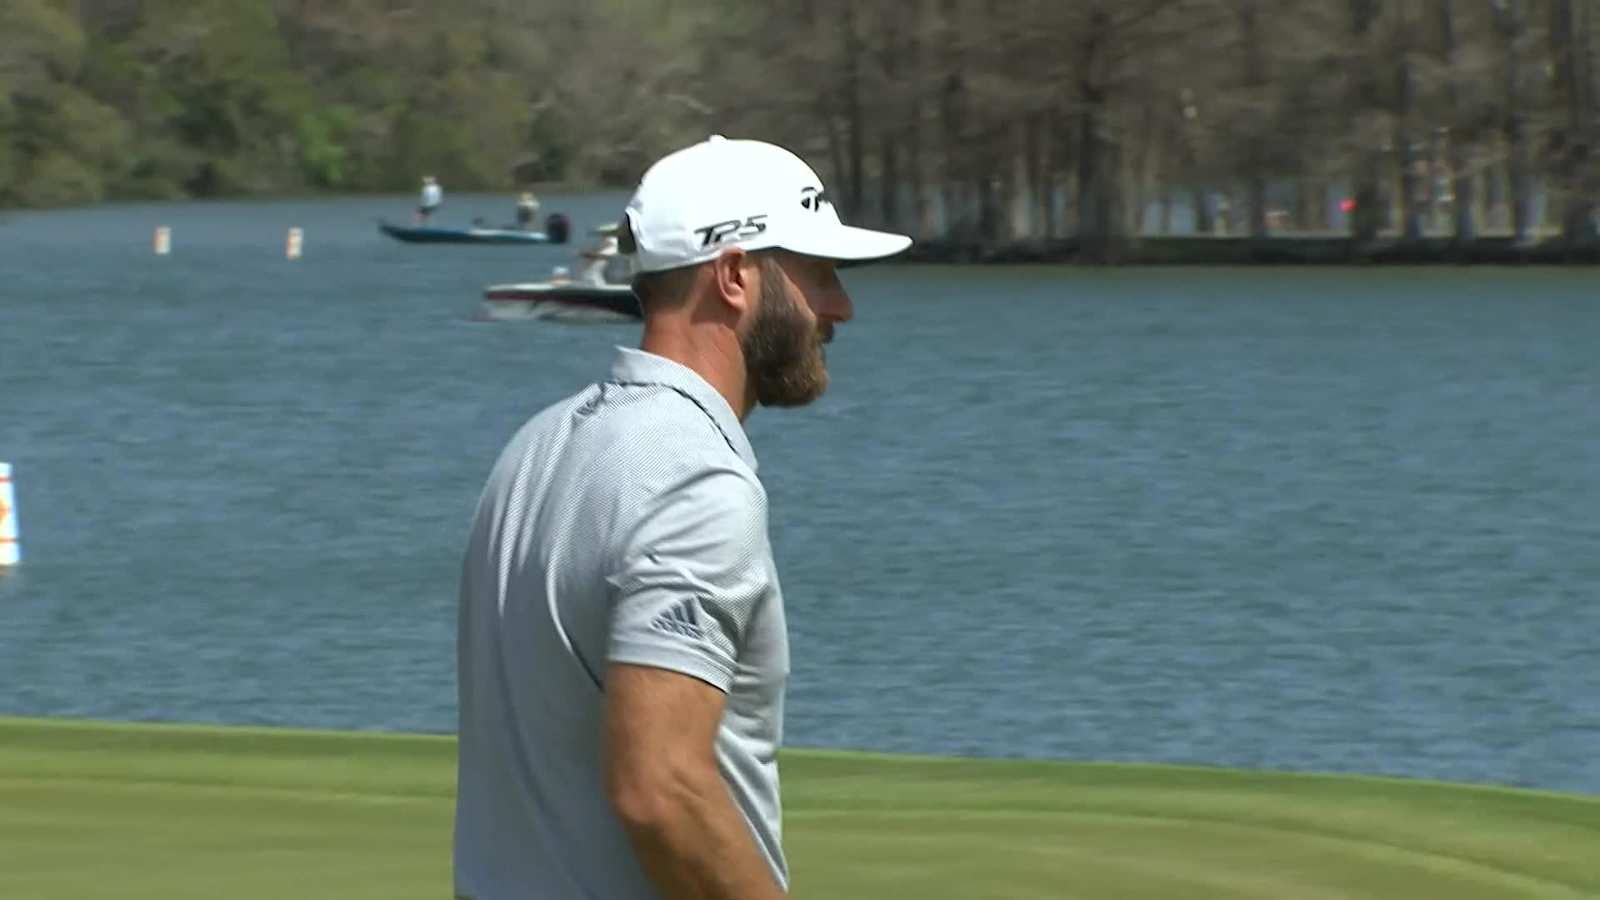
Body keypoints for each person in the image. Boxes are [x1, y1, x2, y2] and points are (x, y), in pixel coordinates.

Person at [453, 134, 911, 900]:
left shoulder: (534, 447)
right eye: (819, 274)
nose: (841, 306)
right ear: (734, 275)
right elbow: (660, 790)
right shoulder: (693, 479)